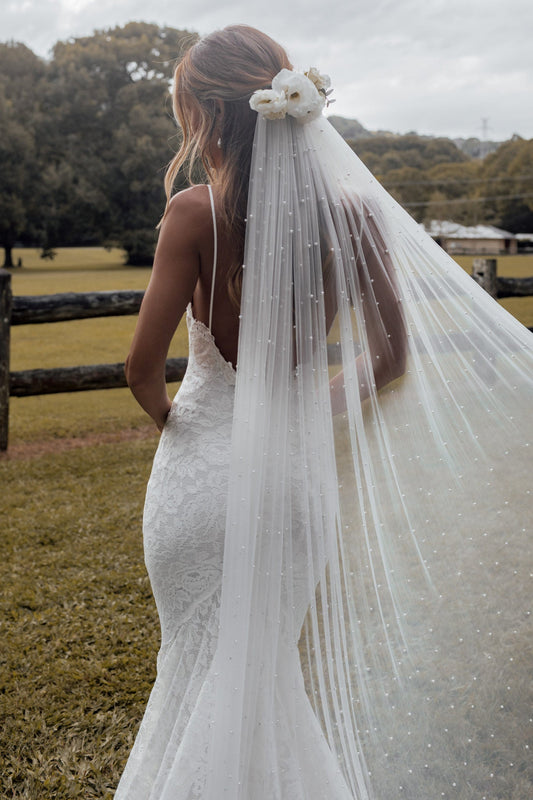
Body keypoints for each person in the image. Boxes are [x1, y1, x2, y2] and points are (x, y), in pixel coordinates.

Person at [119, 24, 533, 800]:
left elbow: (141, 371)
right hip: (294, 479)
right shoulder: (356, 214)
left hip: (201, 473)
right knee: (265, 668)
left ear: (208, 111)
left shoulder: (192, 214)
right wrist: (307, 411)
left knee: (197, 662)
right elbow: (390, 358)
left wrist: (186, 424)